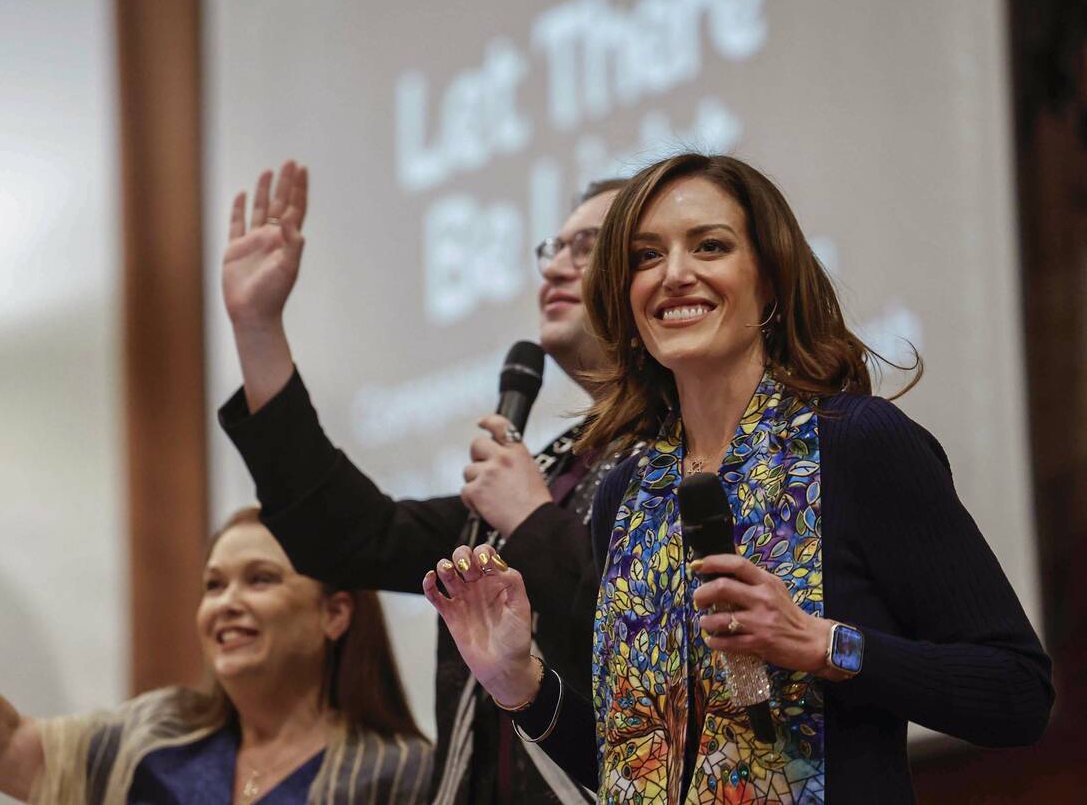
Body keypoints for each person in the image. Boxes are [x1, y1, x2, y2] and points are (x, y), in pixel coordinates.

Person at [421, 153, 1054, 804]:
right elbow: (634, 773)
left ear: (771, 280)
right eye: (645, 257)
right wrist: (520, 682)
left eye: (710, 246)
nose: (674, 275)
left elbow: (1016, 692)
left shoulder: (855, 443)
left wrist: (819, 642)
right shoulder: (627, 493)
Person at [218, 161, 634, 804]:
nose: (553, 267)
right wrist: (257, 330)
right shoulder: (550, 471)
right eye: (553, 248)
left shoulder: (691, 459)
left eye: (588, 248)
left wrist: (531, 522)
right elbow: (352, 536)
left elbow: (646, 643)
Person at [0, 482, 431, 805]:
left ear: (334, 614)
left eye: (261, 579)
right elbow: (1, 747)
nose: (227, 602)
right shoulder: (156, 737)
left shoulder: (401, 773)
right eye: (214, 585)